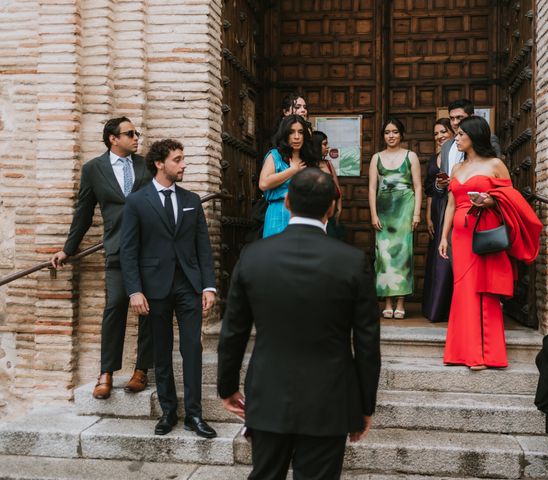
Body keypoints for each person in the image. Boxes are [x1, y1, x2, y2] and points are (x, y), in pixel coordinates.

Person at [217, 168, 381, 480]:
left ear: (288, 202)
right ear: (331, 208)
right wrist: (364, 404)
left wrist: (227, 386)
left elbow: (234, 331)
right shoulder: (352, 261)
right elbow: (367, 342)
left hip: (268, 393)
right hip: (330, 397)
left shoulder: (253, 256)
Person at [49, 117, 153, 400]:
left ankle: (141, 370)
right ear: (112, 138)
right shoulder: (94, 169)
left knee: (149, 309)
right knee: (115, 305)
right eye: (130, 134)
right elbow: (84, 212)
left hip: (151, 250)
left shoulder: (146, 164)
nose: (136, 138)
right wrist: (67, 249)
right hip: (118, 250)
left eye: (136, 133)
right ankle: (106, 372)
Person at [120, 139, 217, 438]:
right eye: (178, 159)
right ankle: (168, 412)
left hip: (188, 285)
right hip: (153, 288)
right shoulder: (137, 201)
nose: (183, 164)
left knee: (192, 348)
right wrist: (134, 290)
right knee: (161, 351)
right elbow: (128, 250)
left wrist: (209, 286)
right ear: (160, 164)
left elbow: (203, 246)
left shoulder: (191, 199)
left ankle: (194, 415)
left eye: (183, 159)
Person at [438, 116, 541, 369]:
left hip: (484, 231)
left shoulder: (496, 164)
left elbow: (511, 198)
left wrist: (490, 201)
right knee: (463, 288)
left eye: (461, 134)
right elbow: (451, 204)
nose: (457, 138)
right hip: (459, 236)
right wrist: (443, 236)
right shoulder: (456, 169)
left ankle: (484, 354)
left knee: (482, 288)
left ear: (475, 136)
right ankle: (460, 351)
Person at [368, 118, 422, 319]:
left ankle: (400, 301)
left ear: (401, 135)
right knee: (383, 256)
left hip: (405, 209)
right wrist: (373, 213)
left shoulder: (411, 156)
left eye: (395, 132)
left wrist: (417, 213)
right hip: (383, 209)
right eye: (387, 132)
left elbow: (418, 186)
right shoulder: (376, 158)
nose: (391, 136)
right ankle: (387, 301)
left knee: (403, 255)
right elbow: (372, 187)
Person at [259, 114, 318, 238]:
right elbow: (264, 183)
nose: (296, 137)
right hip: (279, 213)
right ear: (285, 134)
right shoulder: (275, 156)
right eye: (291, 132)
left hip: (305, 214)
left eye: (300, 132)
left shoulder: (308, 159)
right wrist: (293, 170)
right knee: (276, 254)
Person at [421, 118, 455, 322]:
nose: (439, 136)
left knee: (448, 254)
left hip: (452, 206)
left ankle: (447, 307)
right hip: (436, 208)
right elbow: (429, 189)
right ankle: (433, 306)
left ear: (452, 133)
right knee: (436, 254)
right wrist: (427, 214)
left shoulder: (458, 154)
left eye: (443, 131)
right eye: (436, 133)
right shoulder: (434, 159)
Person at [435, 98, 501, 196]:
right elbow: (443, 184)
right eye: (452, 118)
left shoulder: (489, 139)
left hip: (479, 203)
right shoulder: (447, 146)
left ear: (472, 117)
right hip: (451, 204)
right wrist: (439, 185)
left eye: (459, 117)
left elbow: (497, 176)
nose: (455, 122)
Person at [312, 130, 343, 238]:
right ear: (316, 145)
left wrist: (339, 208)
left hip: (332, 216)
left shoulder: (328, 164)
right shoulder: (307, 166)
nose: (328, 147)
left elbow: (337, 188)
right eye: (324, 144)